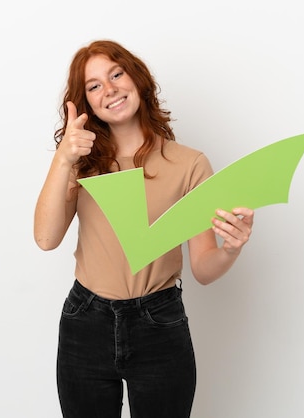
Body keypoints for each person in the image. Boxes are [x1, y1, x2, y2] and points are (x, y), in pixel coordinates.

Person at [33, 39, 254, 418]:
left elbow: (203, 268)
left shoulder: (189, 165)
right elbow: (46, 238)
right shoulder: (81, 164)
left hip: (159, 323)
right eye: (94, 85)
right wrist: (64, 157)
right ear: (85, 103)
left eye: (116, 74)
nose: (110, 89)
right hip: (86, 321)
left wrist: (230, 249)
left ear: (137, 79)